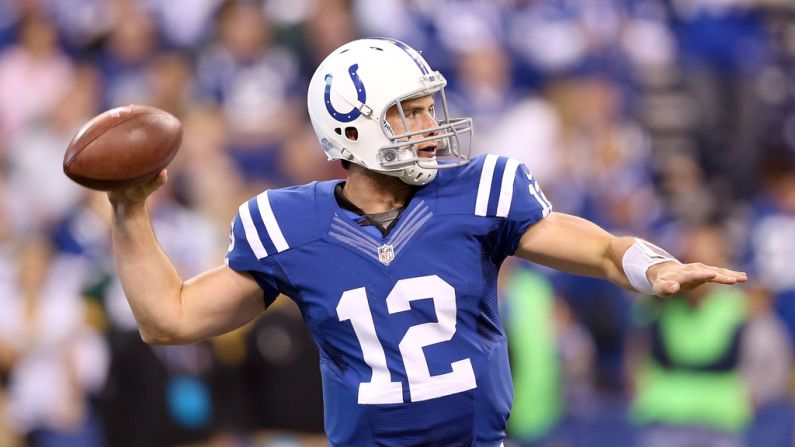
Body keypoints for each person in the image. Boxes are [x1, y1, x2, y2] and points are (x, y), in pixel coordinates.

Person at [106, 38, 747, 447]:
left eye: (427, 107)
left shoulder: (479, 192)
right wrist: (129, 210)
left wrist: (652, 266)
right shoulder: (290, 225)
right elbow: (171, 318)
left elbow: (604, 250)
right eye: (407, 112)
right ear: (351, 131)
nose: (429, 125)